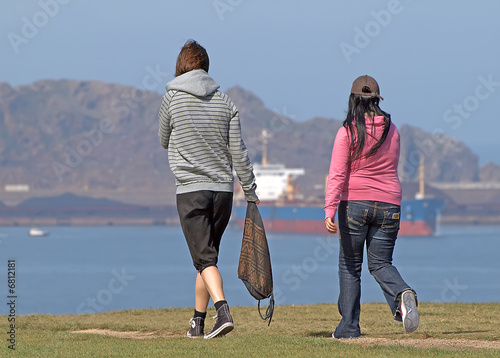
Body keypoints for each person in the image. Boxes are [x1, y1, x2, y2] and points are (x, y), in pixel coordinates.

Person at [158, 40, 259, 339]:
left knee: (204, 260)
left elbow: (163, 139)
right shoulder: (226, 102)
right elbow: (238, 152)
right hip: (224, 193)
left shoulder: (171, 100)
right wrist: (250, 190)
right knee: (207, 258)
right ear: (206, 67)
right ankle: (197, 324)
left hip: (191, 191)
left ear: (180, 66)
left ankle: (223, 311)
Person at [324, 75, 419, 339]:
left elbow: (337, 174)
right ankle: (401, 292)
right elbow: (389, 167)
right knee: (380, 263)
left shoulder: (347, 132)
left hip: (354, 203)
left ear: (353, 100)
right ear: (377, 100)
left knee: (350, 265)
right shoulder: (393, 130)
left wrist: (329, 209)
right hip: (390, 204)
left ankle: (349, 327)